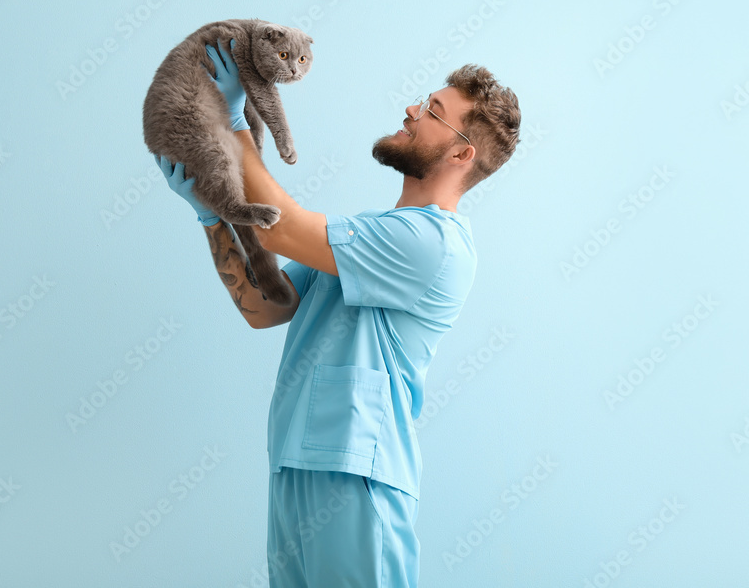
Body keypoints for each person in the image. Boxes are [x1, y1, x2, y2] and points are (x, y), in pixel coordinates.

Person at [156, 38, 521, 587]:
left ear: (461, 154)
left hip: (357, 472)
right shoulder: (368, 235)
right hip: (296, 464)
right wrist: (213, 219)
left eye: (433, 111)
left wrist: (234, 126)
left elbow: (280, 228)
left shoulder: (432, 243)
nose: (412, 110)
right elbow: (264, 306)